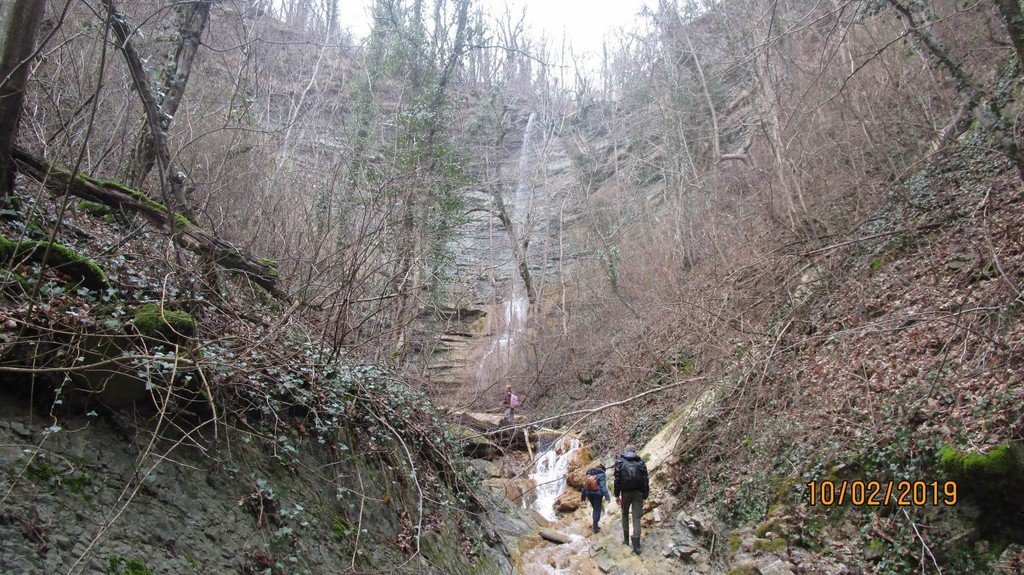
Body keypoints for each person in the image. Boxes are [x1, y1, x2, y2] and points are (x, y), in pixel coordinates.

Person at [614, 444, 649, 555]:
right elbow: (645, 480)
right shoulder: (640, 462)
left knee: (624, 514)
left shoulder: (620, 462)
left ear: (626, 451)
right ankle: (637, 545)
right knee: (636, 518)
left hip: (625, 493)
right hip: (638, 493)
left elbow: (617, 479)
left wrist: (616, 495)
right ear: (635, 451)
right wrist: (645, 496)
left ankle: (626, 540)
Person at [580, 463, 611, 533]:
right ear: (603, 469)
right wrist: (607, 497)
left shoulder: (590, 474)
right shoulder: (602, 475)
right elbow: (603, 487)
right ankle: (595, 528)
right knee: (597, 510)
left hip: (589, 493)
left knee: (595, 509)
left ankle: (595, 525)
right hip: (597, 494)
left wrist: (583, 498)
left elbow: (585, 486)